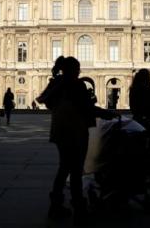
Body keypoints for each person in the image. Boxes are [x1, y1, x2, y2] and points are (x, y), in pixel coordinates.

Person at [41, 56, 118, 224]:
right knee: (76, 171)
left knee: (63, 168)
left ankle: (56, 205)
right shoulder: (76, 84)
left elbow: (46, 102)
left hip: (60, 130)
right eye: (77, 69)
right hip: (76, 131)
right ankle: (79, 209)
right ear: (73, 70)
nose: (79, 71)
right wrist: (108, 113)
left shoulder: (57, 83)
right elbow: (87, 108)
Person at [129, 69, 150, 180]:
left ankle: (139, 172)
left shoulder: (133, 89)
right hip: (149, 121)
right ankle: (149, 171)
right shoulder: (146, 91)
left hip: (137, 120)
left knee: (140, 148)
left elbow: (133, 106)